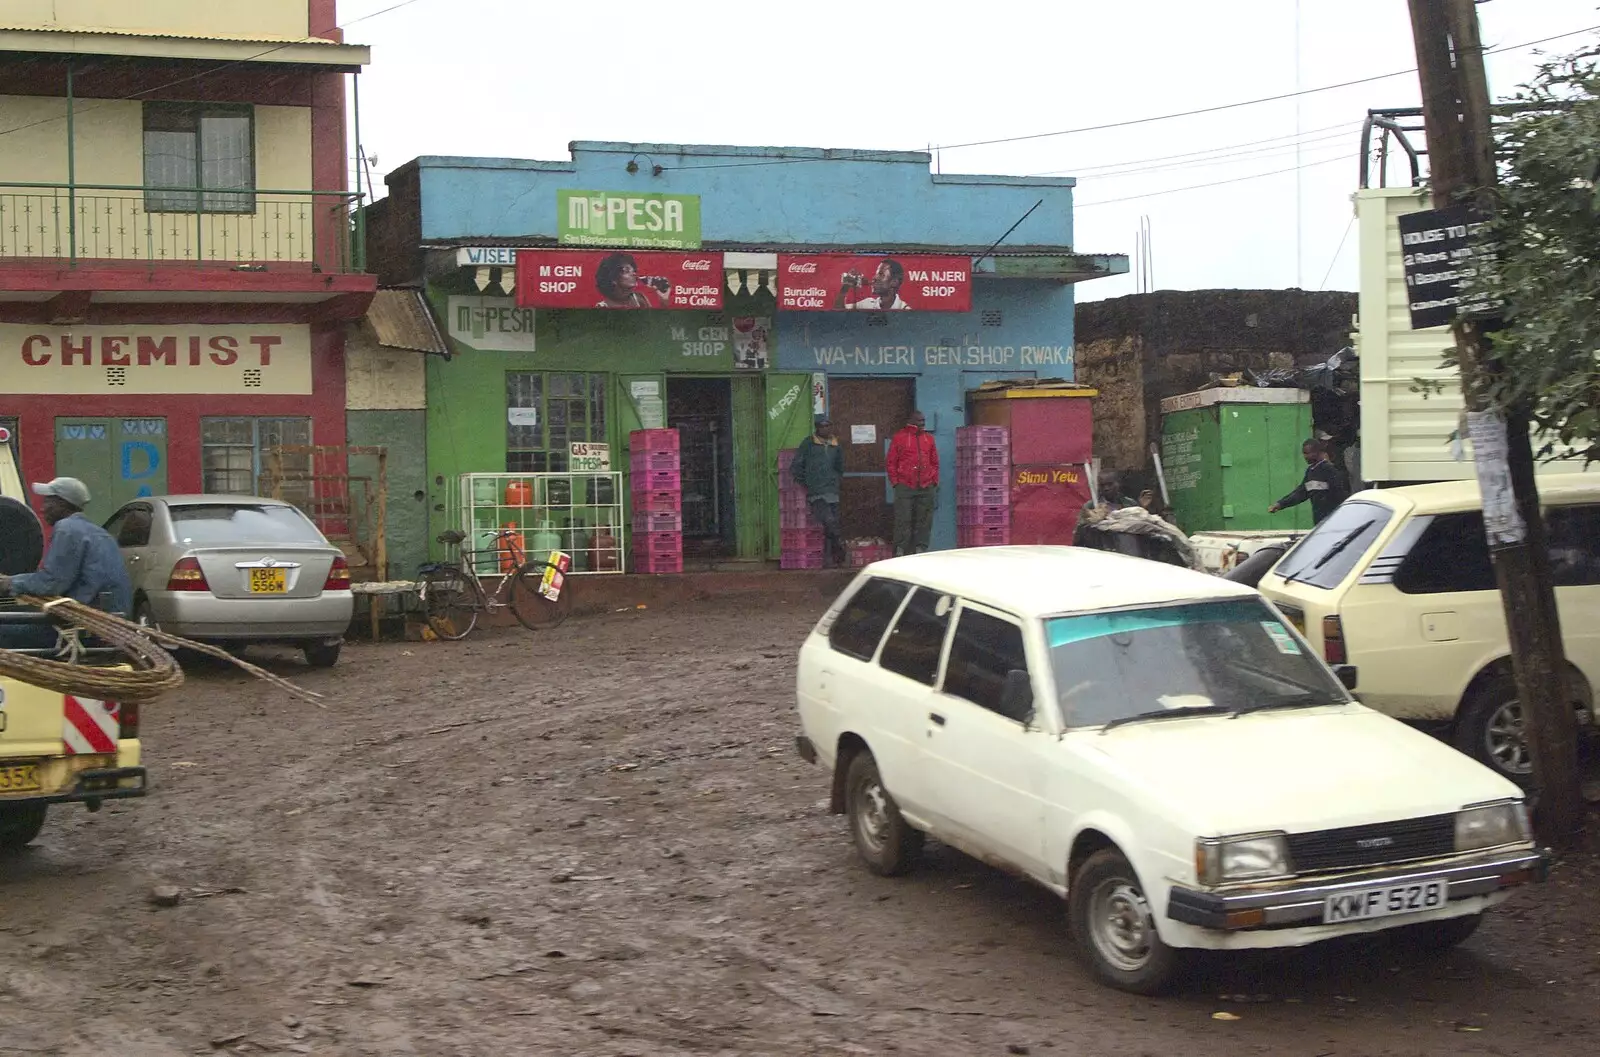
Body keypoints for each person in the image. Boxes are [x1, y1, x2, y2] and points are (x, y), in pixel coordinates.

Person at [0, 477, 132, 651]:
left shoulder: (67, 528)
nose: (42, 508)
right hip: (107, 626)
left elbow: (51, 582)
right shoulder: (100, 533)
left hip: (81, 628)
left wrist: (10, 583)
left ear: (62, 503)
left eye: (48, 501)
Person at [790, 417, 846, 567]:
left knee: (830, 526)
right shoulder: (808, 443)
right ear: (817, 428)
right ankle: (840, 550)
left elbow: (840, 467)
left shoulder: (836, 445)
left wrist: (835, 480)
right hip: (817, 492)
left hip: (832, 491)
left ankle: (829, 560)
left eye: (828, 425)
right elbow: (796, 466)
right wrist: (808, 482)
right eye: (822, 426)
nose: (826, 429)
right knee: (829, 521)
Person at [887, 410, 939, 555]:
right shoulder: (899, 438)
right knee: (903, 519)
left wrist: (933, 480)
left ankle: (921, 548)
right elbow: (891, 462)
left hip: (925, 485)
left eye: (923, 421)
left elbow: (934, 462)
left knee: (924, 520)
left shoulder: (929, 439)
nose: (922, 424)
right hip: (905, 485)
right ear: (911, 421)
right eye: (919, 421)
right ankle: (900, 549)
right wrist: (895, 482)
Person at [1269, 438, 1351, 525]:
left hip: (1332, 520)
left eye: (1308, 453)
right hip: (1319, 522)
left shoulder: (1328, 470)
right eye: (1304, 453)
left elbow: (1339, 494)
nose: (1305, 456)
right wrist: (1280, 504)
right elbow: (1301, 492)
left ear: (1317, 452)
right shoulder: (1311, 471)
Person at [594, 252, 668, 309]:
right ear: (613, 279)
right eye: (627, 271)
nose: (634, 274)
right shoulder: (602, 307)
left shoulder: (639, 298)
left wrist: (664, 300)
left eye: (633, 270)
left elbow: (653, 323)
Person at [836, 259, 910, 311]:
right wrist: (845, 287)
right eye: (876, 274)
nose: (874, 278)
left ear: (894, 282)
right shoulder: (868, 304)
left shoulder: (904, 309)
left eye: (881, 274)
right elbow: (838, 311)